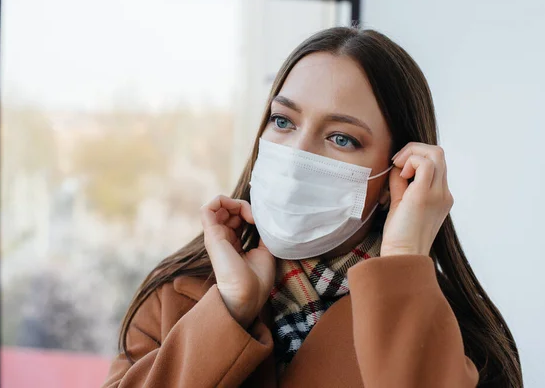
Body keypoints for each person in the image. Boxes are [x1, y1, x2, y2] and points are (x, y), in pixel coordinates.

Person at [102, 27, 522, 387]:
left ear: (398, 176)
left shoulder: (462, 338)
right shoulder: (176, 297)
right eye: (283, 121)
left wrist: (402, 264)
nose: (298, 154)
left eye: (342, 138)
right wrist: (229, 310)